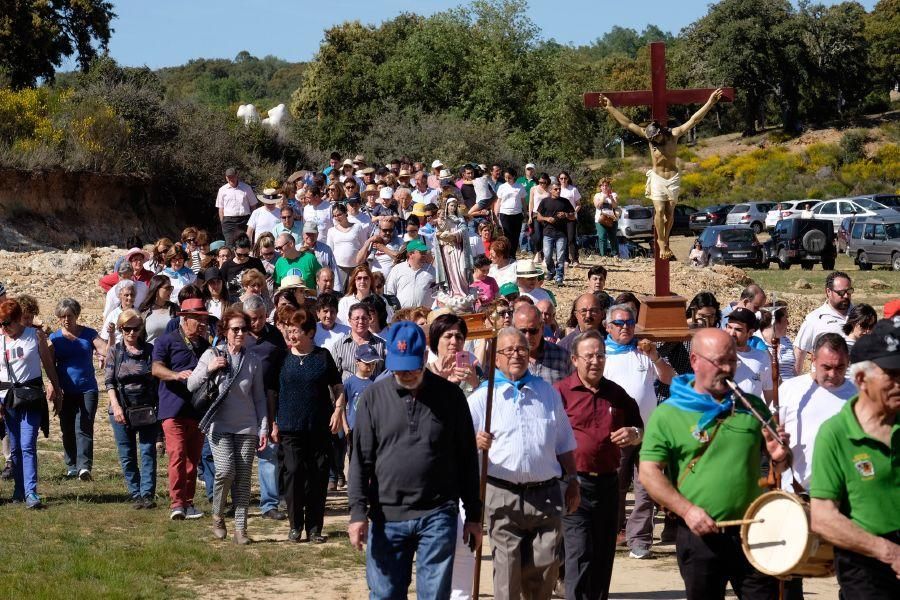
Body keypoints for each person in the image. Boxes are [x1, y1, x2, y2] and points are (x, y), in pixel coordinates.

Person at [639, 328, 787, 600]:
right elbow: (649, 473)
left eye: (732, 361)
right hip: (700, 536)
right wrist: (687, 511)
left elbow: (778, 470)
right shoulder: (668, 414)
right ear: (694, 361)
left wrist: (780, 458)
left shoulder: (751, 406)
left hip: (753, 532)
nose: (727, 369)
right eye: (719, 361)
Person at [349, 321, 481, 599]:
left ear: (424, 357)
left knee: (434, 595)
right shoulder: (373, 398)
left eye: (412, 365)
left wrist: (473, 515)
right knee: (385, 594)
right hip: (387, 514)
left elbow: (467, 458)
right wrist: (358, 514)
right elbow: (360, 460)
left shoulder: (451, 397)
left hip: (438, 513)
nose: (406, 373)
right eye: (399, 366)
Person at [469, 326, 579, 600]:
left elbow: (564, 443)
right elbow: (459, 444)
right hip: (502, 495)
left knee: (544, 572)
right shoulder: (484, 397)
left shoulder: (547, 394)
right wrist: (475, 442)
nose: (516, 354)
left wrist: (574, 480)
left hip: (547, 495)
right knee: (507, 574)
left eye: (521, 349)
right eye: (508, 350)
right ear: (496, 358)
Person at [810, 319, 900, 599]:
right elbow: (823, 518)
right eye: (892, 374)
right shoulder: (835, 435)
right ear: (861, 380)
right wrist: (887, 552)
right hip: (866, 569)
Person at [557, 330, 644, 600]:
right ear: (574, 359)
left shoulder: (616, 394)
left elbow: (639, 426)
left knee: (603, 558)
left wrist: (633, 433)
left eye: (600, 355)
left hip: (608, 484)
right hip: (574, 485)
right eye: (589, 356)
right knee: (579, 555)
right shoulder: (560, 393)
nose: (595, 361)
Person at [597, 89, 723, 260]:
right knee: (659, 209)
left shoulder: (673, 135)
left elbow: (694, 120)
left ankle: (666, 238)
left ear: (661, 132)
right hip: (657, 177)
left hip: (673, 177)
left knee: (670, 211)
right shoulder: (650, 139)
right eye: (652, 139)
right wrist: (611, 108)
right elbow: (628, 124)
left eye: (656, 138)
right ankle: (661, 242)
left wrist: (710, 103)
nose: (654, 141)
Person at [188, 307, 268, 544]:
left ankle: (241, 529)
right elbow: (192, 384)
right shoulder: (211, 354)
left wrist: (263, 426)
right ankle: (217, 515)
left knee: (243, 478)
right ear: (225, 330)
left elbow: (259, 397)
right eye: (235, 329)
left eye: (244, 329)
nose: (240, 333)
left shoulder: (253, 360)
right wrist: (211, 368)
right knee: (225, 471)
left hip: (247, 425)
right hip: (219, 424)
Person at [603, 303, 675, 559]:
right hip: (617, 433)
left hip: (648, 431)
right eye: (620, 323)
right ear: (608, 326)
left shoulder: (644, 350)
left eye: (630, 323)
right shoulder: (603, 355)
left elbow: (670, 378)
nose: (626, 328)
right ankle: (613, 533)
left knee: (647, 487)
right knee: (616, 488)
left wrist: (655, 356)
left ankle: (640, 540)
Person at [273, 308, 345, 543]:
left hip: (319, 426)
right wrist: (272, 421)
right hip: (289, 427)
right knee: (293, 473)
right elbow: (272, 393)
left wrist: (338, 410)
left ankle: (314, 527)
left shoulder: (323, 357)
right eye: (290, 330)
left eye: (297, 331)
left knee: (318, 475)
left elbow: (338, 387)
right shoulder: (282, 358)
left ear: (310, 333)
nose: (292, 335)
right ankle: (295, 526)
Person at [152, 298, 211, 521]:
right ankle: (177, 503)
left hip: (197, 411)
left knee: (193, 459)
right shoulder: (166, 341)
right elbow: (156, 368)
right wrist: (176, 375)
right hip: (172, 409)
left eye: (204, 319)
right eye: (199, 319)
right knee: (177, 454)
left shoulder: (205, 346)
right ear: (186, 319)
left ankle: (188, 501)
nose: (203, 324)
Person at [0, 298, 60, 509]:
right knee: (14, 447)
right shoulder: (0, 340)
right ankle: (18, 489)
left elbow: (48, 365)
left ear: (18, 319)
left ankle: (31, 492)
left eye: (8, 323)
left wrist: (56, 388)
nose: (5, 327)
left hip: (31, 396)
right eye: (2, 323)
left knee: (27, 445)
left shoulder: (35, 336)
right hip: (7, 399)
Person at [104, 309, 159, 509]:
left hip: (145, 407)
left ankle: (147, 494)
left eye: (135, 328)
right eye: (127, 329)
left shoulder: (150, 351)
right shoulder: (114, 352)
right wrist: (116, 406)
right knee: (127, 454)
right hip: (121, 407)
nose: (131, 333)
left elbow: (156, 380)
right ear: (121, 329)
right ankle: (134, 492)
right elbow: (109, 382)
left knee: (147, 451)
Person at [242, 295, 288, 521]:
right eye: (253, 318)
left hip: (269, 399)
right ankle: (239, 502)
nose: (257, 322)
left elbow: (283, 366)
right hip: (242, 400)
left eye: (261, 317)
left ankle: (269, 503)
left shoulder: (274, 335)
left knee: (268, 451)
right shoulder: (238, 334)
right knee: (239, 455)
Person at [50, 298, 107, 480]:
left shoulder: (89, 333)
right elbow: (50, 364)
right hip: (64, 390)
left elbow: (105, 349)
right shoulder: (55, 338)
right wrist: (53, 386)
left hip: (87, 388)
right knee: (67, 428)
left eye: (70, 315)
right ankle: (71, 465)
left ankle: (84, 467)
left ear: (76, 315)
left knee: (84, 426)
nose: (66, 319)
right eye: (63, 316)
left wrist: (109, 343)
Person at [794, 271, 853, 370]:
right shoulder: (815, 319)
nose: (846, 296)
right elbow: (799, 351)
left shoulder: (860, 315)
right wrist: (795, 382)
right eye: (841, 293)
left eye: (849, 291)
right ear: (828, 292)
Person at [513, 303, 573, 389]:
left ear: (542, 328)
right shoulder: (506, 358)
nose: (528, 336)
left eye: (533, 331)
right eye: (522, 331)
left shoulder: (562, 356)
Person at [724, 308, 774, 404]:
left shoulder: (762, 357)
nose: (731, 333)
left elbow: (769, 396)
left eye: (738, 330)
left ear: (750, 333)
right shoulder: (716, 354)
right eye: (729, 327)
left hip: (750, 416)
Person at [331, 303, 387, 382]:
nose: (361, 321)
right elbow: (333, 377)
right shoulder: (339, 346)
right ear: (349, 321)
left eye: (364, 318)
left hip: (374, 392)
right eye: (356, 318)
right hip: (348, 392)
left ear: (369, 319)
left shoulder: (381, 345)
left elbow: (387, 373)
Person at [536, 181, 575, 285]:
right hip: (548, 233)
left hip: (561, 234)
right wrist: (547, 218)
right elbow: (538, 217)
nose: (558, 191)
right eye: (556, 189)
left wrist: (566, 215)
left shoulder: (565, 201)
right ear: (550, 190)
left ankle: (559, 277)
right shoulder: (544, 201)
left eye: (559, 189)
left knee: (560, 257)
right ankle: (551, 270)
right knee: (547, 256)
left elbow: (573, 216)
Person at [385, 239, 437, 309]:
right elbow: (389, 293)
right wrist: (394, 310)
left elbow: (437, 292)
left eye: (425, 252)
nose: (425, 255)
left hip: (425, 315)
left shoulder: (432, 270)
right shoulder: (397, 269)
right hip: (403, 315)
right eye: (421, 252)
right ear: (410, 254)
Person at [216, 167, 258, 247]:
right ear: (226, 178)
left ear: (237, 176)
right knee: (230, 246)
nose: (231, 179)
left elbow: (253, 205)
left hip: (244, 220)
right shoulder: (222, 190)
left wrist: (252, 220)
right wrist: (223, 223)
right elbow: (221, 208)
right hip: (229, 222)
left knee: (245, 244)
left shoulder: (246, 188)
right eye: (229, 177)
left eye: (233, 176)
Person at [327, 203, 368, 283]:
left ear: (346, 213)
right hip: (339, 267)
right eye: (334, 216)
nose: (337, 217)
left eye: (339, 214)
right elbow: (330, 250)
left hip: (356, 267)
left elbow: (364, 245)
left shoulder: (357, 227)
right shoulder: (331, 231)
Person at [756, 302, 796, 382]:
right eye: (786, 318)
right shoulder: (755, 342)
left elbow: (792, 371)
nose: (788, 323)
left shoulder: (786, 341)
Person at [220, 235, 266, 300]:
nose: (242, 257)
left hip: (254, 301)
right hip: (234, 302)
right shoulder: (226, 265)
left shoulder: (256, 262)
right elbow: (221, 286)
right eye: (239, 254)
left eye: (246, 254)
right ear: (234, 250)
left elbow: (263, 284)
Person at [495, 167, 525, 256]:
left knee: (516, 236)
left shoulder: (520, 186)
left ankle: (513, 255)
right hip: (505, 214)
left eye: (509, 177)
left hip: (517, 214)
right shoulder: (502, 187)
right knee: (507, 235)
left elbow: (523, 201)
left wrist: (526, 213)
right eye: (506, 177)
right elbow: (499, 200)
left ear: (514, 176)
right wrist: (496, 212)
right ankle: (506, 254)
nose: (507, 179)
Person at [139, 275, 178, 343]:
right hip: (151, 351)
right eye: (167, 288)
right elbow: (139, 336)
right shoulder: (144, 310)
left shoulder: (174, 308)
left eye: (171, 288)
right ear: (156, 289)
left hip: (171, 351)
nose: (170, 291)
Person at [100, 281, 138, 346]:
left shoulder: (138, 313)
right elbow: (105, 338)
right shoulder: (113, 315)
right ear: (119, 296)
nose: (130, 298)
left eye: (132, 295)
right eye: (126, 295)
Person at [557, 171, 582, 266]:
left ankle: (575, 259)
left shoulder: (573, 189)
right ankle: (565, 259)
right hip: (560, 218)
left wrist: (573, 213)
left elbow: (579, 204)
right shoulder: (557, 189)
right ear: (559, 179)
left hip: (571, 217)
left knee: (571, 238)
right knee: (563, 239)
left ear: (568, 179)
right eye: (561, 178)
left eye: (565, 178)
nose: (563, 180)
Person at [528, 173, 551, 263]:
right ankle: (538, 252)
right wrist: (530, 216)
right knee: (537, 236)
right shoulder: (533, 189)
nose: (541, 184)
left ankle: (545, 255)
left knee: (546, 236)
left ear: (547, 181)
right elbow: (531, 202)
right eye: (540, 182)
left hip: (547, 215)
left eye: (543, 182)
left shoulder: (549, 190)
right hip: (536, 214)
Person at [593, 178, 619, 257]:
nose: (604, 187)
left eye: (606, 185)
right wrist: (603, 199)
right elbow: (597, 206)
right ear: (600, 187)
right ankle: (603, 255)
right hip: (600, 219)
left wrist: (611, 199)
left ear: (609, 186)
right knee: (602, 236)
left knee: (613, 236)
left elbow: (615, 206)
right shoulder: (597, 195)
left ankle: (615, 254)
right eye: (603, 186)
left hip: (612, 219)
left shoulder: (614, 195)